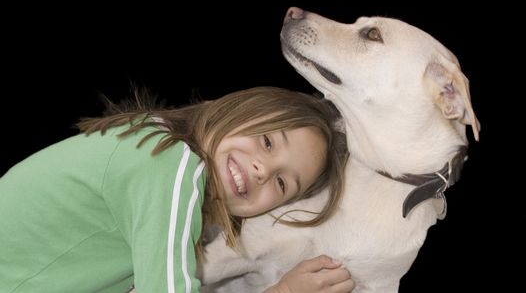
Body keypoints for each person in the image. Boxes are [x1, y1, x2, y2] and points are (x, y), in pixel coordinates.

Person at [0, 86, 354, 293]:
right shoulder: (170, 167)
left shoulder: (153, 139)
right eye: (266, 141)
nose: (263, 169)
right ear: (239, 109)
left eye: (282, 183)